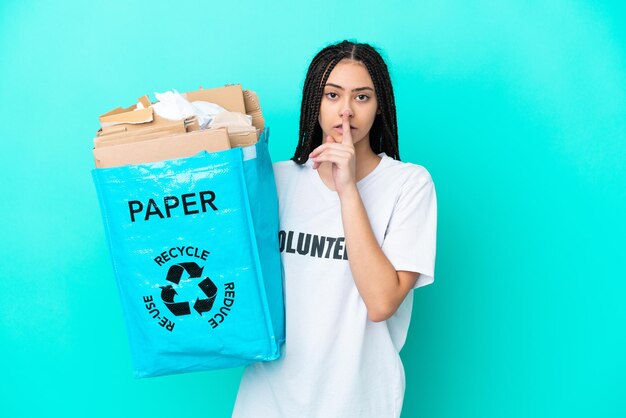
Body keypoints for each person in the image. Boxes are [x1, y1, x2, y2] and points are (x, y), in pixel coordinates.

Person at [232, 40, 437, 418]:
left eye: (362, 97)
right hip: (266, 402)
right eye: (332, 95)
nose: (346, 110)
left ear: (380, 107)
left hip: (357, 404)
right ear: (315, 102)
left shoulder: (409, 185)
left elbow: (381, 302)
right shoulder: (274, 181)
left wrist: (348, 189)